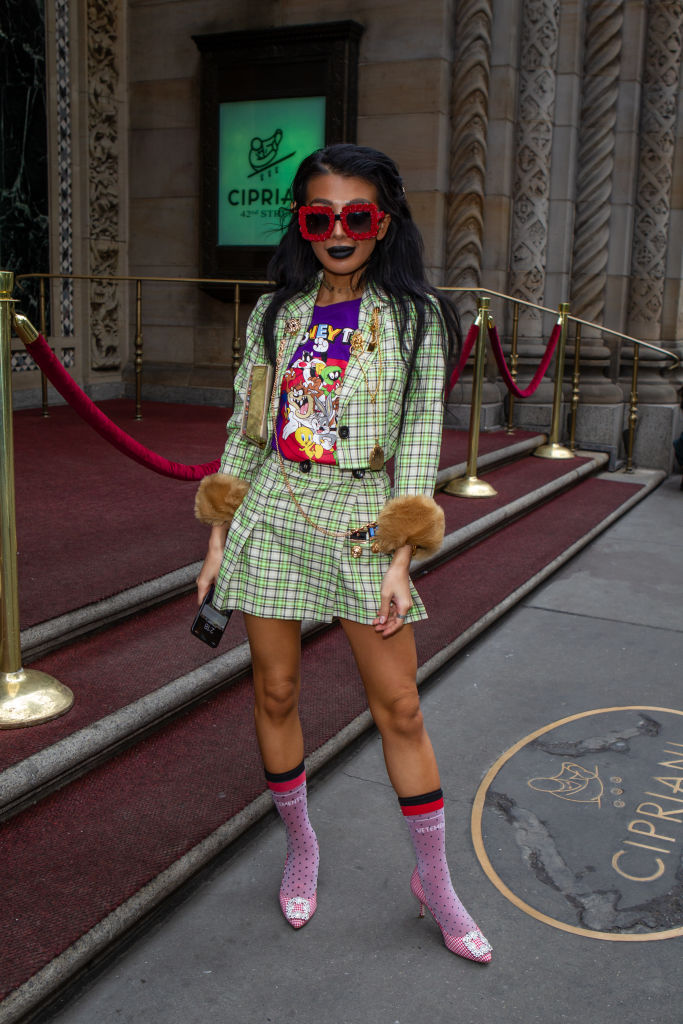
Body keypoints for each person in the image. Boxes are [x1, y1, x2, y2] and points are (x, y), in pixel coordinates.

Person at [195, 143, 492, 963]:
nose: (337, 232)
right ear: (301, 222)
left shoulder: (416, 317)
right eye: (318, 216)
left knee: (398, 706)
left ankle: (433, 878)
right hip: (276, 510)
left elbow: (423, 438)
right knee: (277, 689)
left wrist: (402, 558)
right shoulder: (273, 316)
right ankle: (300, 846)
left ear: (383, 222)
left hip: (365, 515)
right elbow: (245, 432)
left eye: (355, 216)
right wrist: (218, 538)